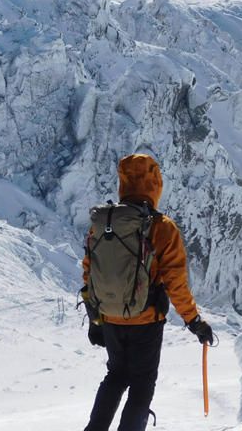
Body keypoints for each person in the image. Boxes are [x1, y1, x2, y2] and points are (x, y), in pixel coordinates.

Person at [81, 153, 214, 431]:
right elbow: (176, 283)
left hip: (111, 319)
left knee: (115, 376)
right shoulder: (162, 227)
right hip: (146, 321)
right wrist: (194, 321)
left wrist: (96, 320)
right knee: (141, 385)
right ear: (155, 184)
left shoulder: (104, 224)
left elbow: (90, 273)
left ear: (123, 183)